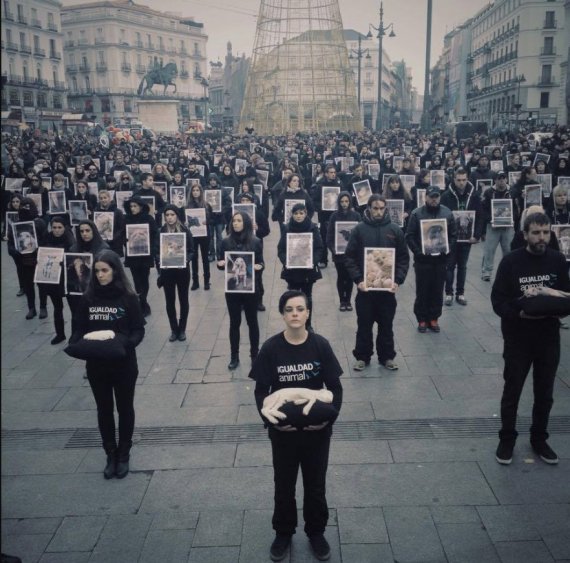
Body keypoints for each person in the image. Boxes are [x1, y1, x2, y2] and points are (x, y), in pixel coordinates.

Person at [249, 290, 343, 563]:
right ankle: (283, 532)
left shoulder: (320, 345)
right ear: (282, 314)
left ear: (308, 313)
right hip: (284, 434)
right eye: (289, 309)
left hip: (317, 434)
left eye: (300, 309)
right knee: (284, 484)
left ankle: (316, 532)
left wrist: (327, 420)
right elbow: (260, 391)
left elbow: (335, 388)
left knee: (315, 485)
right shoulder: (271, 348)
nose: (294, 314)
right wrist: (270, 421)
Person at [491, 212, 570, 465]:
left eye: (546, 232)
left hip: (548, 337)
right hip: (518, 337)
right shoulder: (511, 262)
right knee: (513, 389)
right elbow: (498, 301)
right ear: (525, 234)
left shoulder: (558, 260)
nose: (541, 238)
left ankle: (539, 439)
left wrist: (551, 300)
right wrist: (520, 308)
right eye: (536, 232)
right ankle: (507, 439)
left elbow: (566, 296)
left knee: (545, 392)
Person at [69, 250, 145, 479]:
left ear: (115, 271)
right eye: (97, 271)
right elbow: (78, 330)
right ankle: (110, 453)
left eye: (105, 270)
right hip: (97, 365)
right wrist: (79, 345)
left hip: (123, 364)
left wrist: (125, 345)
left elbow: (139, 329)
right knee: (104, 409)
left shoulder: (128, 297)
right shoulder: (88, 298)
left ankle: (124, 453)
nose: (100, 275)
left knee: (124, 407)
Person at [344, 195, 410, 370]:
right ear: (369, 208)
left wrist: (398, 280)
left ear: (386, 209)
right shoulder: (359, 230)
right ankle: (362, 357)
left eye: (382, 208)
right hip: (365, 290)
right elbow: (349, 257)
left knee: (386, 325)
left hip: (387, 291)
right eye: (375, 208)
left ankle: (387, 356)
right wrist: (358, 279)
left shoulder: (395, 230)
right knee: (364, 325)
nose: (378, 211)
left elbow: (403, 258)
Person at [405, 185, 456, 333]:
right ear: (425, 197)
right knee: (422, 290)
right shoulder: (416, 214)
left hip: (440, 260)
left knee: (437, 289)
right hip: (423, 261)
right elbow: (410, 236)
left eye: (436, 197)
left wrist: (447, 249)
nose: (434, 199)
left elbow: (453, 235)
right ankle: (422, 319)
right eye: (431, 197)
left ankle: (434, 318)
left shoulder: (447, 213)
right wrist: (418, 252)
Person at [217, 211, 264, 370]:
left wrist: (259, 267)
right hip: (233, 290)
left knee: (252, 323)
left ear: (245, 223)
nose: (236, 223)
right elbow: (220, 262)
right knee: (234, 323)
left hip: (251, 289)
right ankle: (234, 356)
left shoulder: (256, 242)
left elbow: (261, 263)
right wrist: (220, 264)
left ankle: (254, 355)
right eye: (234, 221)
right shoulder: (225, 242)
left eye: (239, 220)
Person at [277, 202, 323, 331]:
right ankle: (293, 320)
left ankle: (308, 324)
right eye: (296, 213)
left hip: (308, 270)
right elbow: (280, 249)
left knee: (308, 297)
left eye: (301, 213)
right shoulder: (287, 228)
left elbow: (319, 248)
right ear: (292, 214)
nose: (298, 216)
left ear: (305, 214)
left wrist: (312, 261)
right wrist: (286, 261)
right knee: (292, 296)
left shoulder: (312, 228)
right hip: (292, 270)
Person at [440, 168, 483, 305]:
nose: (461, 183)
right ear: (454, 180)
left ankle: (460, 293)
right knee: (450, 266)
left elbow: (480, 216)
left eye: (464, 180)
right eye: (458, 180)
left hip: (466, 238)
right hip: (451, 238)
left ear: (467, 179)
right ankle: (448, 293)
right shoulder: (446, 195)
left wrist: (476, 235)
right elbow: (442, 216)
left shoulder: (474, 195)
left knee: (463, 266)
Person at [157, 205, 194, 342]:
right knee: (169, 301)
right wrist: (159, 266)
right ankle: (174, 329)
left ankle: (182, 329)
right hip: (167, 272)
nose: (170, 217)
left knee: (183, 300)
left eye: (172, 214)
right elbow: (157, 251)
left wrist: (186, 259)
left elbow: (192, 250)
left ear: (177, 215)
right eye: (167, 215)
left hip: (182, 271)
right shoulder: (161, 231)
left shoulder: (184, 230)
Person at [7, 197, 47, 319]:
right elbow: (10, 242)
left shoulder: (39, 222)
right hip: (23, 260)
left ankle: (43, 307)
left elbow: (45, 240)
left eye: (27, 206)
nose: (25, 209)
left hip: (38, 258)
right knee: (28, 285)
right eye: (22, 206)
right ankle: (31, 308)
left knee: (41, 285)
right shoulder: (15, 224)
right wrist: (15, 251)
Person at [37, 216, 75, 341]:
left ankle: (75, 335)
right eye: (54, 227)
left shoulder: (71, 241)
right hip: (53, 279)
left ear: (65, 228)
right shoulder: (46, 238)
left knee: (73, 308)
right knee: (57, 308)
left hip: (68, 279)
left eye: (60, 227)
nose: (57, 230)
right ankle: (60, 334)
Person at [123, 196, 159, 317]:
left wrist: (153, 249)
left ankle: (142, 302)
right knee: (136, 280)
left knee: (144, 279)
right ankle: (143, 303)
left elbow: (155, 235)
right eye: (131, 206)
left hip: (145, 255)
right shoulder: (126, 219)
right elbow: (122, 235)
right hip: (132, 254)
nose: (132, 208)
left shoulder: (149, 219)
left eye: (135, 206)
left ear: (141, 207)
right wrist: (126, 241)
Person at [326, 191, 361, 311]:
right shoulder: (334, 216)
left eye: (346, 201)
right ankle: (342, 300)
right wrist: (333, 249)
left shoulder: (356, 216)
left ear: (350, 202)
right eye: (342, 201)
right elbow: (329, 236)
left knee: (350, 277)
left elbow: (359, 234)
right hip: (339, 254)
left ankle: (348, 301)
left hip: (351, 254)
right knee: (341, 276)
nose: (344, 204)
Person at [480, 171, 515, 281]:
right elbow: (483, 209)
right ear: (495, 180)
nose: (501, 181)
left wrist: (513, 219)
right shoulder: (488, 192)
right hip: (493, 226)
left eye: (503, 178)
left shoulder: (512, 192)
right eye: (499, 179)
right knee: (489, 249)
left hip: (508, 227)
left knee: (509, 250)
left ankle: (509, 271)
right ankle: (486, 271)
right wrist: (490, 219)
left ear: (507, 179)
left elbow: (517, 208)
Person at [187, 183, 213, 290]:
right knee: (194, 258)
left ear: (201, 192)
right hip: (193, 235)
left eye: (197, 190)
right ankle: (195, 281)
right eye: (194, 190)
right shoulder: (187, 206)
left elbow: (213, 220)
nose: (195, 192)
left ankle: (207, 281)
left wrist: (207, 222)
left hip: (204, 234)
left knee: (205, 258)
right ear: (191, 192)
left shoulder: (207, 205)